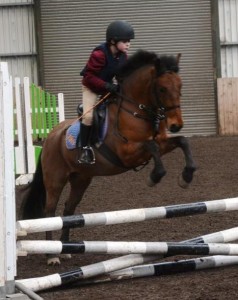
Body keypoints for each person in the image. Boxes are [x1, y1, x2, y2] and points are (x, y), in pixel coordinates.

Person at [78, 20, 135, 164]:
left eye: (129, 41)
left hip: (106, 87)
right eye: (125, 41)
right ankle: (84, 149)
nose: (129, 44)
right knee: (89, 116)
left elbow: (122, 75)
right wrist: (107, 86)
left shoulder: (122, 55)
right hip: (91, 87)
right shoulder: (99, 54)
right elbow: (89, 77)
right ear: (113, 41)